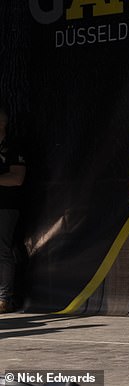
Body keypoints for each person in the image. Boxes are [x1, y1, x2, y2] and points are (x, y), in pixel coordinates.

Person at [0, 106, 26, 313]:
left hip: (5, 207)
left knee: (2, 250)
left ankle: (4, 298)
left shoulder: (12, 146)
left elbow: (17, 178)